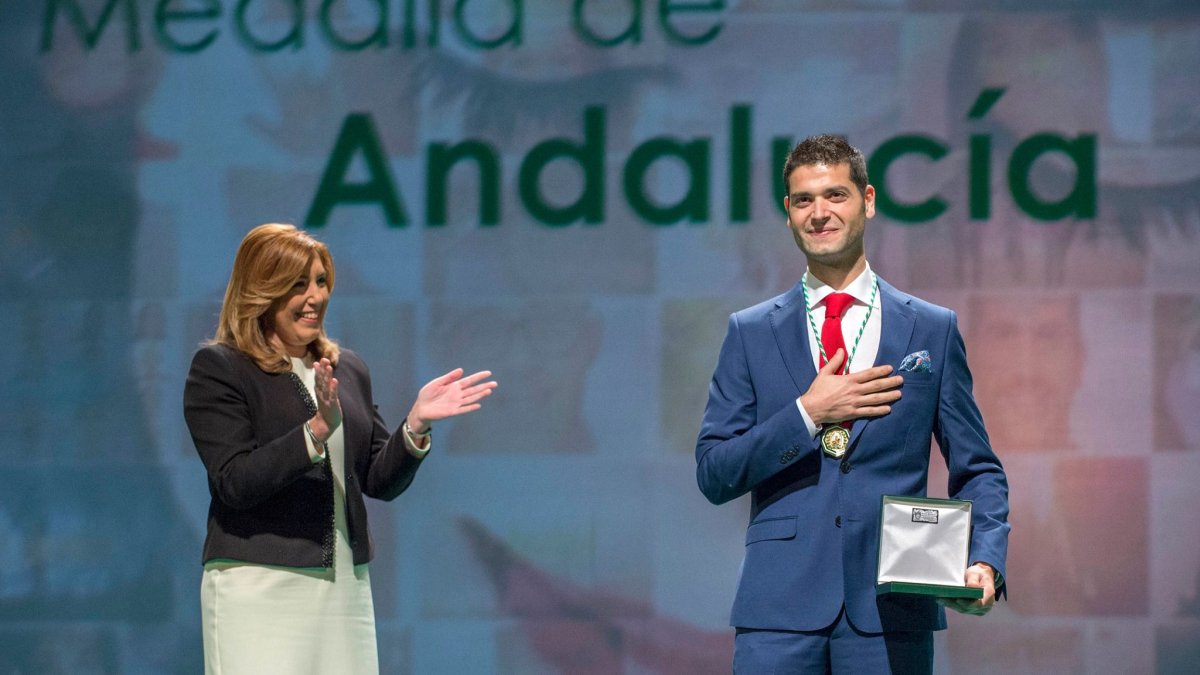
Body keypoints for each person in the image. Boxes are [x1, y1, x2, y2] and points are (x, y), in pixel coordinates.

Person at [695, 135, 1009, 673]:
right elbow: (714, 472)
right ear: (788, 214)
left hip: (893, 607)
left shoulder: (931, 328)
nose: (820, 213)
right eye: (803, 200)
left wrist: (983, 561)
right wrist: (807, 414)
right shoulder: (750, 332)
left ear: (867, 200)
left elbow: (978, 467)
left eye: (835, 196)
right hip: (779, 612)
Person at [183, 223, 497, 673]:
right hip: (259, 582)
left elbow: (377, 479)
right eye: (297, 284)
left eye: (321, 281)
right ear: (261, 290)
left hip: (344, 586)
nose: (315, 296)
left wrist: (416, 424)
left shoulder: (346, 368)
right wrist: (314, 431)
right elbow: (234, 481)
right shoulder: (222, 368)